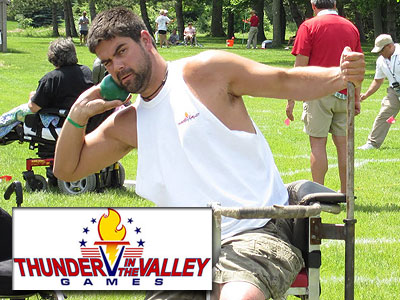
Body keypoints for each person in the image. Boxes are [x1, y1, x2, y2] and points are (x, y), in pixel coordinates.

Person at [53, 7, 364, 300]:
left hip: (255, 230)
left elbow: (284, 82)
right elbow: (67, 170)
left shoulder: (205, 72)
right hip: (187, 248)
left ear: (146, 40)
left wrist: (341, 76)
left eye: (121, 51)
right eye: (107, 62)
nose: (117, 68)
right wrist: (78, 113)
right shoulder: (128, 123)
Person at [285, 0, 362, 193]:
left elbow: (300, 66)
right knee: (344, 147)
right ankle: (346, 194)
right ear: (335, 5)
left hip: (317, 91)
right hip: (345, 92)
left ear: (313, 6)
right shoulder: (351, 27)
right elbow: (357, 67)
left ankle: (319, 194)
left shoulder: (309, 26)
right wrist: (357, 97)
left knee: (318, 145)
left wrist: (291, 99)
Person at [358, 34, 400, 150]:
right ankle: (373, 143)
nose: (380, 53)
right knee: (385, 116)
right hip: (394, 92)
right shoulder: (381, 61)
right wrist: (366, 95)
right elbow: (378, 80)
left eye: (381, 50)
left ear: (390, 46)